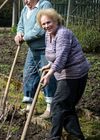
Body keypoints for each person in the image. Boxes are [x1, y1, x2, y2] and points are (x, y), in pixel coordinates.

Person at [37, 8, 90, 139]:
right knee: (66, 107)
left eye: (49, 22)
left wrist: (49, 74)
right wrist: (48, 65)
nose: (46, 26)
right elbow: (53, 55)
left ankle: (54, 137)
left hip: (75, 73)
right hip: (64, 73)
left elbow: (61, 57)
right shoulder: (48, 34)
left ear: (56, 20)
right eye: (43, 24)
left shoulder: (63, 33)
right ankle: (77, 137)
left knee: (58, 104)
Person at [14, 0, 56, 118]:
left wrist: (24, 37)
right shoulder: (25, 9)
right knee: (29, 75)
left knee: (47, 77)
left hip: (45, 49)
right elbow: (20, 25)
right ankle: (30, 106)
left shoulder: (44, 5)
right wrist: (19, 33)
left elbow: (40, 30)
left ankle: (50, 108)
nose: (25, 1)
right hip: (32, 49)